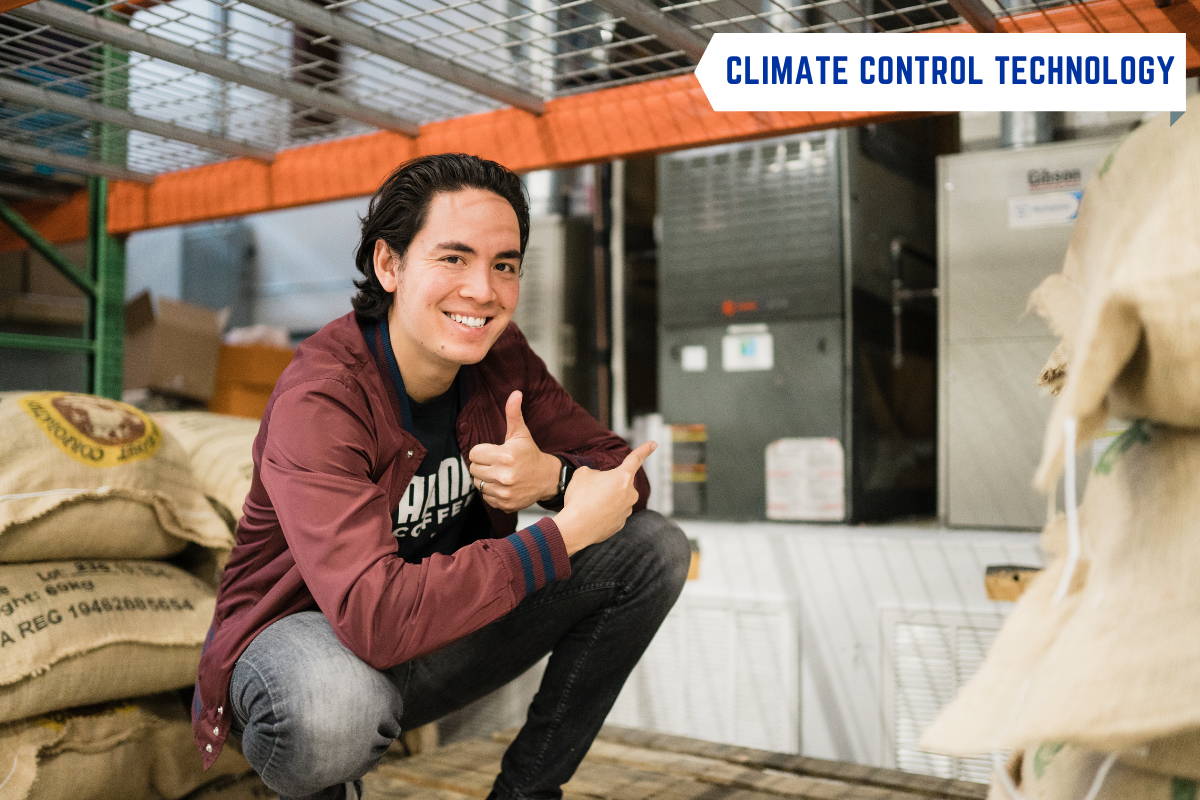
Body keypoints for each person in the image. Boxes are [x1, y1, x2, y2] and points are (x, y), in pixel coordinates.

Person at [191, 153, 690, 800]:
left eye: (503, 265)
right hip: (310, 652)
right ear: (389, 265)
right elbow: (373, 615)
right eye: (453, 258)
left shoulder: (500, 359)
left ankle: (527, 794)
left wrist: (552, 479)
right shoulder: (324, 397)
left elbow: (626, 478)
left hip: (431, 637)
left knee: (652, 549)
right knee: (331, 708)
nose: (483, 290)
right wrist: (558, 537)